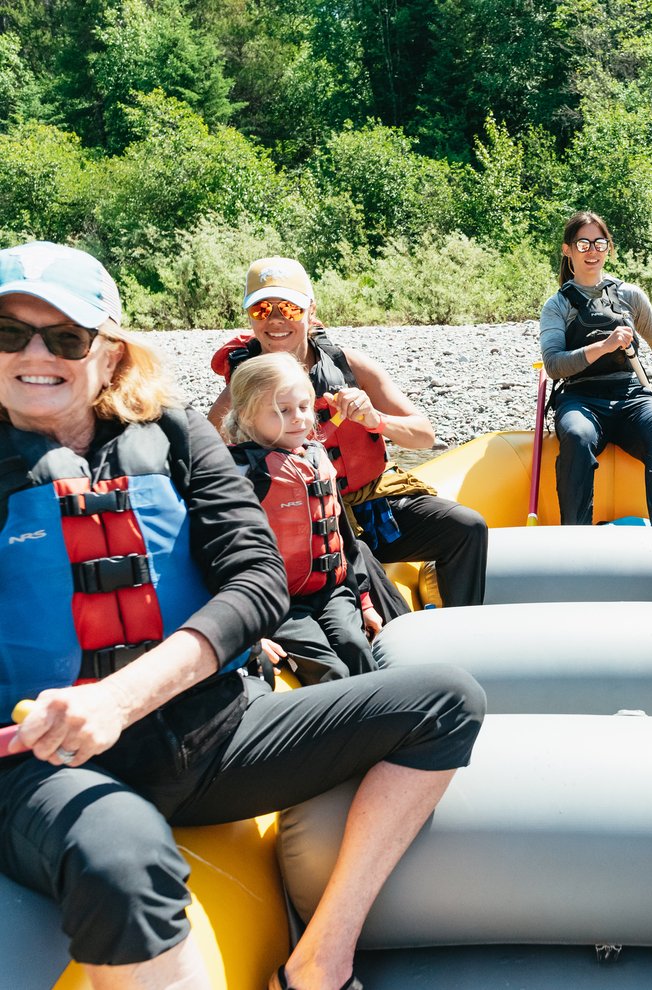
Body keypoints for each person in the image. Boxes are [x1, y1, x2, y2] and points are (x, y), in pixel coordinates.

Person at [0, 242, 486, 990]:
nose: (37, 355)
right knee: (123, 855)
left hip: (213, 737)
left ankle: (322, 958)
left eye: (65, 337)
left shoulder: (174, 433)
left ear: (108, 354)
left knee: (448, 700)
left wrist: (121, 698)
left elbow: (258, 581)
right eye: (9, 333)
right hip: (47, 764)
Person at [208, 257, 487, 608]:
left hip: (375, 507)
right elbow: (205, 460)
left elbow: (424, 437)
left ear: (310, 309)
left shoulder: (348, 365)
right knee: (365, 569)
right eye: (263, 309)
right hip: (311, 520)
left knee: (466, 527)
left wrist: (377, 421)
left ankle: (462, 623)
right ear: (250, 317)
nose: (276, 320)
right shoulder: (246, 384)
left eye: (289, 308)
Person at [224, 351, 381, 684]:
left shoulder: (316, 456)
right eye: (282, 411)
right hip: (277, 606)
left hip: (331, 592)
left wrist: (364, 600)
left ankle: (386, 725)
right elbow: (218, 557)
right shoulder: (240, 473)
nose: (298, 418)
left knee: (357, 648)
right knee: (333, 671)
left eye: (304, 407)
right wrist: (247, 633)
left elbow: (343, 538)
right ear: (248, 417)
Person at [539, 210, 652, 527]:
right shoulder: (557, 305)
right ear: (567, 250)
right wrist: (604, 346)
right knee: (576, 434)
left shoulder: (630, 295)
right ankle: (577, 529)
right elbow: (554, 365)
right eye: (583, 244)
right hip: (580, 398)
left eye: (599, 243)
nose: (592, 251)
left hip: (631, 395)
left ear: (608, 248)